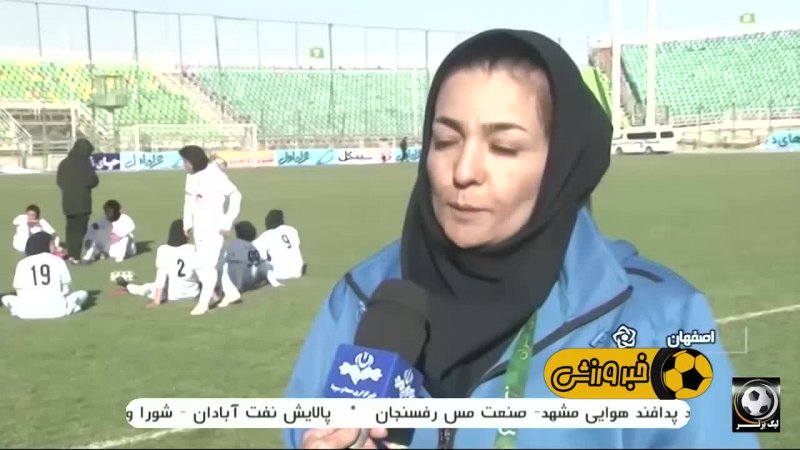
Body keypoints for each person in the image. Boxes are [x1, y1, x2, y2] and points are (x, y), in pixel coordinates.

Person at [284, 30, 758, 449]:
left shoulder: (663, 319)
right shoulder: (359, 301)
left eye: (504, 147)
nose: (463, 172)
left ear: (562, 164)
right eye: (446, 141)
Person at [180, 145, 242, 316]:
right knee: (214, 264)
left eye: (185, 161)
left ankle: (204, 303)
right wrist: (187, 224)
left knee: (207, 266)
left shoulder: (215, 175)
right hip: (199, 227)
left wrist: (227, 222)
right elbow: (189, 200)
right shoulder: (190, 177)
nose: (183, 165)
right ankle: (231, 293)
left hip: (215, 228)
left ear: (193, 161)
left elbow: (236, 195)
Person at [2, 231, 88, 319]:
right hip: (57, 310)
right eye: (52, 244)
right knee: (83, 293)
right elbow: (66, 287)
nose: (55, 247)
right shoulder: (57, 260)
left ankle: (17, 310)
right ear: (45, 244)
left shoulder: (22, 263)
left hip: (26, 312)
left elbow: (18, 289)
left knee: (6, 298)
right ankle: (73, 308)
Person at [117, 219, 201, 308]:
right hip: (194, 293)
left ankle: (128, 286)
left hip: (172, 295)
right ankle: (128, 286)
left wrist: (156, 301)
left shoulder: (163, 250)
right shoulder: (194, 249)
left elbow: (161, 278)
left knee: (148, 288)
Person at [217, 221, 281, 308]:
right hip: (253, 281)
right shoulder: (253, 247)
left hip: (237, 283)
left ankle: (226, 292)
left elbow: (221, 265)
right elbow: (263, 265)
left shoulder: (232, 246)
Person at [56, 138, 99, 264]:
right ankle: (75, 257)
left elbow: (59, 182)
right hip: (82, 203)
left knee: (70, 229)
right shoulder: (84, 164)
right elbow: (92, 181)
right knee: (79, 231)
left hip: (68, 203)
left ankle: (71, 254)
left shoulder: (64, 163)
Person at [253, 209, 305, 281]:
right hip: (298, 271)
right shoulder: (291, 230)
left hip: (278, 275)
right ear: (282, 221)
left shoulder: (264, 237)